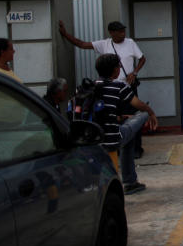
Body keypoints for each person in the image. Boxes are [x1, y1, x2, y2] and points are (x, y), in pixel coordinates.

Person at [59, 19, 146, 154]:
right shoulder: (104, 44)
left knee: (133, 117)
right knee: (113, 118)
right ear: (112, 33)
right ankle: (117, 147)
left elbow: (142, 58)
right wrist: (65, 34)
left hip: (127, 87)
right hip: (110, 89)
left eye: (124, 31)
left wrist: (134, 72)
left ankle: (136, 149)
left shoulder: (130, 43)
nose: (123, 34)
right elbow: (81, 44)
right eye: (120, 32)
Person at [94, 53, 158, 195]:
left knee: (129, 135)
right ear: (115, 69)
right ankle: (129, 182)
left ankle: (131, 182)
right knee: (140, 115)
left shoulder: (91, 87)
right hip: (113, 138)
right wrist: (151, 113)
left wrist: (120, 117)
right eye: (119, 66)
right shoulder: (118, 86)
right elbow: (138, 104)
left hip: (95, 139)